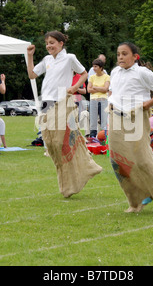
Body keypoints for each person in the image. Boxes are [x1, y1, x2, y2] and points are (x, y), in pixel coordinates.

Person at [27, 30, 102, 198]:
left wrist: (75, 88)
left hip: (62, 100)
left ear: (61, 44)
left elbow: (84, 74)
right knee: (51, 144)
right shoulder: (47, 60)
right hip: (46, 102)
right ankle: (74, 178)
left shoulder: (70, 58)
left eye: (52, 42)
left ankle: (86, 165)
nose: (49, 46)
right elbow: (32, 74)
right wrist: (30, 56)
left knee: (60, 141)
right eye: (47, 43)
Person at [108, 42, 153, 213]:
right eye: (118, 54)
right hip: (115, 116)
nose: (120, 57)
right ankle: (135, 202)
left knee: (142, 160)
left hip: (135, 117)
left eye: (125, 54)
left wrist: (149, 103)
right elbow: (113, 91)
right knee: (118, 160)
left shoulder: (142, 72)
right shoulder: (114, 72)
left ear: (135, 57)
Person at [88, 58, 110, 138]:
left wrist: (94, 87)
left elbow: (105, 89)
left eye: (96, 66)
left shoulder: (107, 77)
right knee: (93, 121)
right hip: (93, 100)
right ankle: (93, 137)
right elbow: (89, 89)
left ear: (101, 68)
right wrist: (100, 88)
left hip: (103, 100)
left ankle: (104, 138)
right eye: (93, 66)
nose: (94, 68)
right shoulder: (92, 77)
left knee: (104, 120)